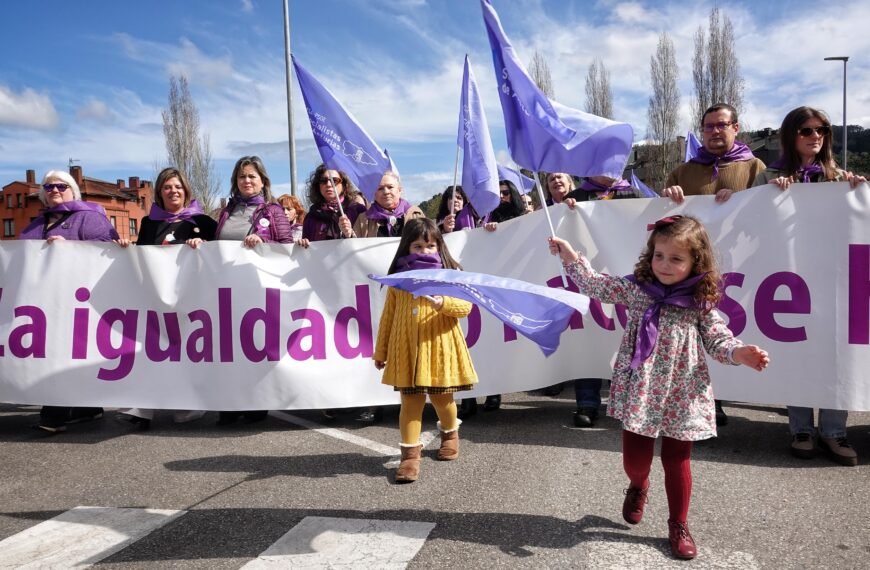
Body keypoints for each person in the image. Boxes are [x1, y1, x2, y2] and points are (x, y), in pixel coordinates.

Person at [549, 215, 769, 560]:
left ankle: (678, 524)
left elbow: (717, 338)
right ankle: (639, 484)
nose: (665, 265)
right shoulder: (638, 288)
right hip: (642, 388)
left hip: (683, 390)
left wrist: (738, 353)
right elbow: (596, 285)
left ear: (696, 261)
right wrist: (570, 256)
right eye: (659, 256)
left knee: (677, 460)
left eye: (676, 258)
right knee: (635, 461)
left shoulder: (699, 300)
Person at [752, 106, 866, 466]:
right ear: (791, 135)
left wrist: (857, 194)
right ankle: (801, 429)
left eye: (822, 130)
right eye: (806, 130)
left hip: (834, 278)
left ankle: (834, 431)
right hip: (788, 278)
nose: (815, 136)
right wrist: (767, 197)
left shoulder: (840, 179)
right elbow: (749, 222)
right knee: (797, 351)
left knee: (836, 352)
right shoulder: (768, 176)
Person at [661, 103, 766, 426]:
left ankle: (748, 389)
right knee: (701, 335)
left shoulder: (755, 167)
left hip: (745, 267)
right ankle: (710, 402)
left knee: (737, 331)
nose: (715, 131)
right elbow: (663, 217)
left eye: (722, 125)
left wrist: (742, 203)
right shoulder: (684, 172)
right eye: (709, 126)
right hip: (694, 272)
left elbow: (769, 213)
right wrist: (666, 195)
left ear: (736, 128)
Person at [373, 218, 478, 483]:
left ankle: (450, 435)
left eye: (430, 246)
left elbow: (466, 307)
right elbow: (388, 317)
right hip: (406, 350)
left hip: (440, 349)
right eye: (417, 246)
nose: (424, 251)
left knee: (443, 400)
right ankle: (409, 457)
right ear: (406, 247)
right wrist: (381, 351)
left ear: (439, 246)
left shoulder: (450, 274)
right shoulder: (398, 280)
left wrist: (444, 303)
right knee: (410, 404)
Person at [115, 167, 217, 430]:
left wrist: (203, 247)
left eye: (178, 186)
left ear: (186, 190)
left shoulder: (204, 222)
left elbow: (220, 257)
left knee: (187, 351)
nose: (173, 191)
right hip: (157, 297)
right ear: (160, 193)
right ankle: (141, 408)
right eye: (167, 187)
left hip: (193, 297)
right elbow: (140, 259)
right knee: (151, 350)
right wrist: (125, 248)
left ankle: (188, 404)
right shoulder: (149, 223)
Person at [20, 170, 119, 433]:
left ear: (72, 190)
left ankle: (53, 415)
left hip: (78, 299)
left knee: (62, 353)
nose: (54, 190)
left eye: (61, 186)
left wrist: (71, 247)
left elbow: (107, 248)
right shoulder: (36, 224)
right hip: (43, 301)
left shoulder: (89, 217)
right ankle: (88, 408)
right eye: (48, 186)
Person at [196, 156, 292, 426]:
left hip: (258, 290)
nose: (247, 181)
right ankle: (229, 403)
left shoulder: (273, 211)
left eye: (252, 176)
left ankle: (256, 402)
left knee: (255, 348)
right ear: (235, 181)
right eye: (242, 176)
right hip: (227, 290)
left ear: (263, 181)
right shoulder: (227, 211)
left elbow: (287, 247)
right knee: (228, 349)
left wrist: (263, 240)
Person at [568, 175, 653, 427]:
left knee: (630, 343)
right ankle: (587, 403)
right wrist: (564, 211)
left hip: (628, 278)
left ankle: (632, 404)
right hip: (591, 279)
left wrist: (672, 200)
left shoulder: (635, 195)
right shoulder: (577, 197)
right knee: (589, 340)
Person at [348, 171, 426, 423]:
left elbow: (430, 247)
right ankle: (374, 402)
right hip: (373, 292)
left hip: (408, 292)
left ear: (400, 190)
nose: (386, 192)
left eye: (390, 187)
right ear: (373, 193)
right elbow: (351, 254)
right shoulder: (364, 219)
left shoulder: (415, 215)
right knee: (374, 343)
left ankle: (416, 398)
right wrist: (349, 237)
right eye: (381, 188)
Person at [298, 164, 366, 245]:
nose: (329, 184)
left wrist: (350, 233)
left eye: (335, 180)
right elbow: (306, 247)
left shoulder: (358, 210)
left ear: (344, 185)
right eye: (323, 180)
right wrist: (303, 243)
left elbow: (367, 244)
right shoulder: (311, 216)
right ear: (318, 186)